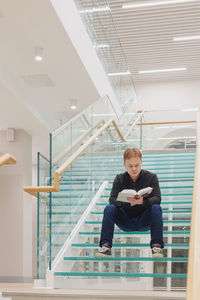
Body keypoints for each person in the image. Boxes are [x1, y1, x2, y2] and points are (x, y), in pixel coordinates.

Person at [97, 148, 164, 257]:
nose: (134, 169)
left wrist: (143, 202)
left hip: (144, 220)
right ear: (124, 164)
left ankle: (156, 246)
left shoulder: (152, 177)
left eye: (137, 165)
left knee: (156, 207)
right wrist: (129, 204)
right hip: (125, 220)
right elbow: (112, 199)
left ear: (141, 162)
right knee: (109, 208)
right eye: (130, 166)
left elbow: (157, 198)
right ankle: (106, 246)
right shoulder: (119, 178)